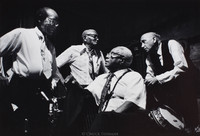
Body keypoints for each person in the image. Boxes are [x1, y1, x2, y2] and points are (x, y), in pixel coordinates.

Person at [0, 7, 62, 136]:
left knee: (39, 126)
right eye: (52, 21)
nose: (55, 25)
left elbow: (54, 71)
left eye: (57, 22)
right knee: (16, 124)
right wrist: (1, 75)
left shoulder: (50, 45)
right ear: (40, 20)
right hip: (21, 87)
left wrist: (56, 81)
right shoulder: (22, 34)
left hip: (41, 89)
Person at [86, 46, 155, 135]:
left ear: (121, 60)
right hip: (104, 119)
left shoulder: (133, 76)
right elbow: (86, 93)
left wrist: (111, 116)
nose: (107, 56)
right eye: (107, 54)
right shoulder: (102, 78)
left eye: (112, 55)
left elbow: (131, 102)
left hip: (125, 118)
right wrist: (74, 84)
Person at [140, 32, 199, 133]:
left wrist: (157, 78)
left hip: (188, 81)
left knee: (192, 112)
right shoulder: (149, 56)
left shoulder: (172, 44)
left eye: (144, 42)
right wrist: (148, 79)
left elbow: (181, 67)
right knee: (177, 112)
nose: (142, 46)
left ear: (154, 40)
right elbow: (149, 72)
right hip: (173, 87)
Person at [56, 29, 108, 135]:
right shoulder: (73, 50)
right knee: (71, 120)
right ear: (85, 38)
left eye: (97, 36)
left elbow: (106, 72)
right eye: (94, 36)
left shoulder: (99, 53)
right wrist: (63, 81)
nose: (97, 39)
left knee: (91, 120)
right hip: (76, 90)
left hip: (92, 91)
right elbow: (54, 65)